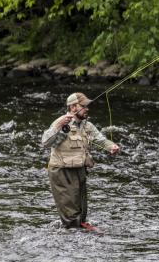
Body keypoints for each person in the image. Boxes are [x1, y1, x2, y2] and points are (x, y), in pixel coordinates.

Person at [41, 92, 120, 228]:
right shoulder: (61, 122)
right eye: (83, 106)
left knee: (82, 210)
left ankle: (80, 229)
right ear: (73, 107)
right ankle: (72, 235)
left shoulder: (87, 126)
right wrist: (58, 126)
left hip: (79, 170)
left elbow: (100, 140)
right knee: (70, 212)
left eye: (87, 106)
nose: (87, 109)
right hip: (61, 171)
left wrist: (111, 146)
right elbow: (45, 142)